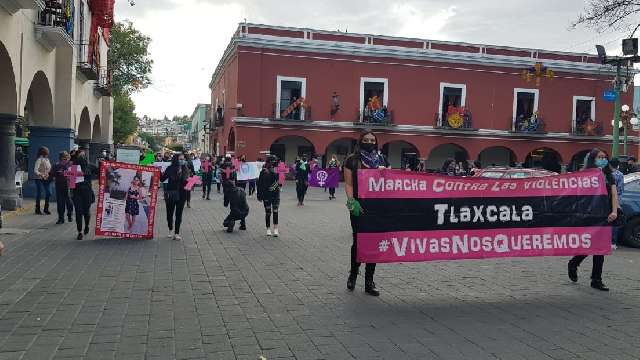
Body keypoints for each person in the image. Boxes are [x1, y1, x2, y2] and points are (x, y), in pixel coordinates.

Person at [344, 131, 388, 296]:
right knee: (358, 240)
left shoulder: (382, 160)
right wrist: (351, 202)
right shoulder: (352, 160)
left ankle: (369, 281)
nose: (369, 142)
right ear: (360, 141)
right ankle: (353, 274)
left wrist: (385, 172)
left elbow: (390, 182)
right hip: (359, 205)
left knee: (374, 242)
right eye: (366, 140)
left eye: (372, 140)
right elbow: (348, 183)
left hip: (378, 206)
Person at [568, 148, 618, 291]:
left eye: (604, 157)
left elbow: (614, 195)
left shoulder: (609, 175)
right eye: (599, 157)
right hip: (589, 214)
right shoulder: (585, 175)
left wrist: (614, 211)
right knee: (589, 244)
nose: (603, 159)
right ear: (592, 159)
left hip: (605, 215)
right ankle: (574, 263)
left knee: (600, 248)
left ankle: (596, 279)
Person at [161, 153, 191, 240]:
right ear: (176, 160)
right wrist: (158, 171)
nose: (182, 161)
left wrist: (192, 181)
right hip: (171, 194)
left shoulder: (186, 169)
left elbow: (188, 183)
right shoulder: (170, 168)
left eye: (183, 159)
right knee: (169, 214)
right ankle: (170, 229)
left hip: (182, 194)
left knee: (179, 214)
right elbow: (162, 179)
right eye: (180, 159)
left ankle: (177, 233)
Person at [71, 149, 95, 240]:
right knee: (79, 212)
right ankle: (80, 231)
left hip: (85, 193)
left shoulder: (89, 166)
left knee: (85, 212)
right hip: (79, 193)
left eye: (83, 155)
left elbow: (101, 170)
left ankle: (86, 226)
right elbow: (72, 183)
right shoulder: (74, 167)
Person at [257, 155, 281, 237]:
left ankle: (276, 229)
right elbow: (259, 184)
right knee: (268, 212)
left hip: (275, 194)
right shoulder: (263, 171)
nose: (274, 163)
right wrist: (259, 195)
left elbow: (279, 182)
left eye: (275, 161)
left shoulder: (277, 170)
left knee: (275, 211)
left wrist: (273, 187)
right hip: (266, 194)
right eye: (273, 161)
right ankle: (268, 229)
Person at [51, 151, 73, 224]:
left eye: (66, 157)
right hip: (63, 185)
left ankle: (65, 216)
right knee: (64, 201)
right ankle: (65, 216)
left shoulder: (70, 164)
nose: (65, 159)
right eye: (64, 157)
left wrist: (63, 173)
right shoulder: (58, 165)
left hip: (64, 185)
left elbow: (75, 174)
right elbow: (52, 174)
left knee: (65, 201)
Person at [33, 146, 52, 215]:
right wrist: (41, 175)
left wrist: (49, 174)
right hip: (39, 179)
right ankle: (37, 209)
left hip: (46, 179)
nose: (48, 152)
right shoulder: (39, 160)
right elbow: (35, 170)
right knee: (39, 193)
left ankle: (46, 208)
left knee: (49, 193)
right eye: (47, 151)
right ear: (44, 152)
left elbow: (49, 169)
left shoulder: (47, 160)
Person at [610, 158, 624, 248]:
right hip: (617, 200)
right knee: (615, 221)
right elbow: (621, 189)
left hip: (606, 199)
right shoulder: (620, 174)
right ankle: (613, 242)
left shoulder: (608, 174)